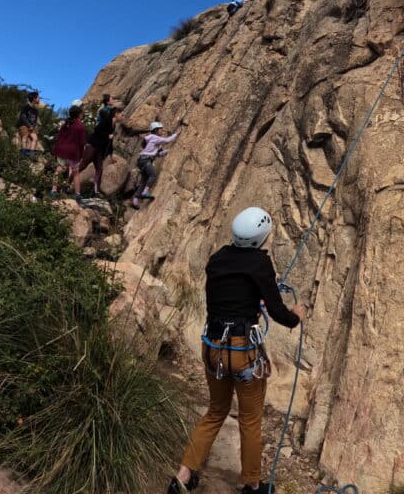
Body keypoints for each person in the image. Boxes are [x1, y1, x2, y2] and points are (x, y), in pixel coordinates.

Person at [168, 207, 306, 494]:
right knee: (250, 419)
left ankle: (181, 478)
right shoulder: (260, 264)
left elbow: (227, 297)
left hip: (213, 348)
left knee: (216, 411)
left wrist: (253, 300)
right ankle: (253, 486)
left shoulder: (217, 259)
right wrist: (296, 315)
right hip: (242, 352)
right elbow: (279, 312)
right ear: (260, 239)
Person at [78, 95, 121, 196]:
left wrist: (110, 154)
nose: (123, 116)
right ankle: (69, 181)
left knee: (99, 168)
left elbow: (110, 141)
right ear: (116, 114)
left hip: (99, 149)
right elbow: (97, 130)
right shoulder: (106, 120)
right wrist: (107, 136)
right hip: (92, 146)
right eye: (122, 115)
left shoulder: (113, 125)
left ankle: (96, 190)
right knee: (83, 165)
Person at [131, 121, 178, 208]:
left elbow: (155, 154)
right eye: (160, 129)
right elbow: (168, 140)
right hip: (145, 160)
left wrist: (164, 153)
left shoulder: (152, 139)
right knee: (153, 175)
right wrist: (176, 134)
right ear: (156, 130)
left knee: (144, 181)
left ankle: (135, 200)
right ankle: (145, 192)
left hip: (142, 160)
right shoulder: (154, 137)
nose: (162, 131)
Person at [51, 104, 87, 197]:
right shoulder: (81, 127)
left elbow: (59, 137)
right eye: (81, 114)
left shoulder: (65, 124)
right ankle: (77, 194)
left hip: (61, 150)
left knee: (58, 170)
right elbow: (82, 143)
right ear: (79, 115)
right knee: (75, 173)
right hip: (73, 152)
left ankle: (53, 190)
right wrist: (81, 156)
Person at [15, 90, 40, 156]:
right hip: (24, 125)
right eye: (38, 98)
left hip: (31, 127)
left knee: (35, 138)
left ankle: (31, 153)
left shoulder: (35, 111)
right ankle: (23, 152)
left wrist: (33, 126)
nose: (39, 99)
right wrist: (29, 125)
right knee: (25, 136)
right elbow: (22, 117)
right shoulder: (26, 107)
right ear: (34, 99)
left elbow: (35, 120)